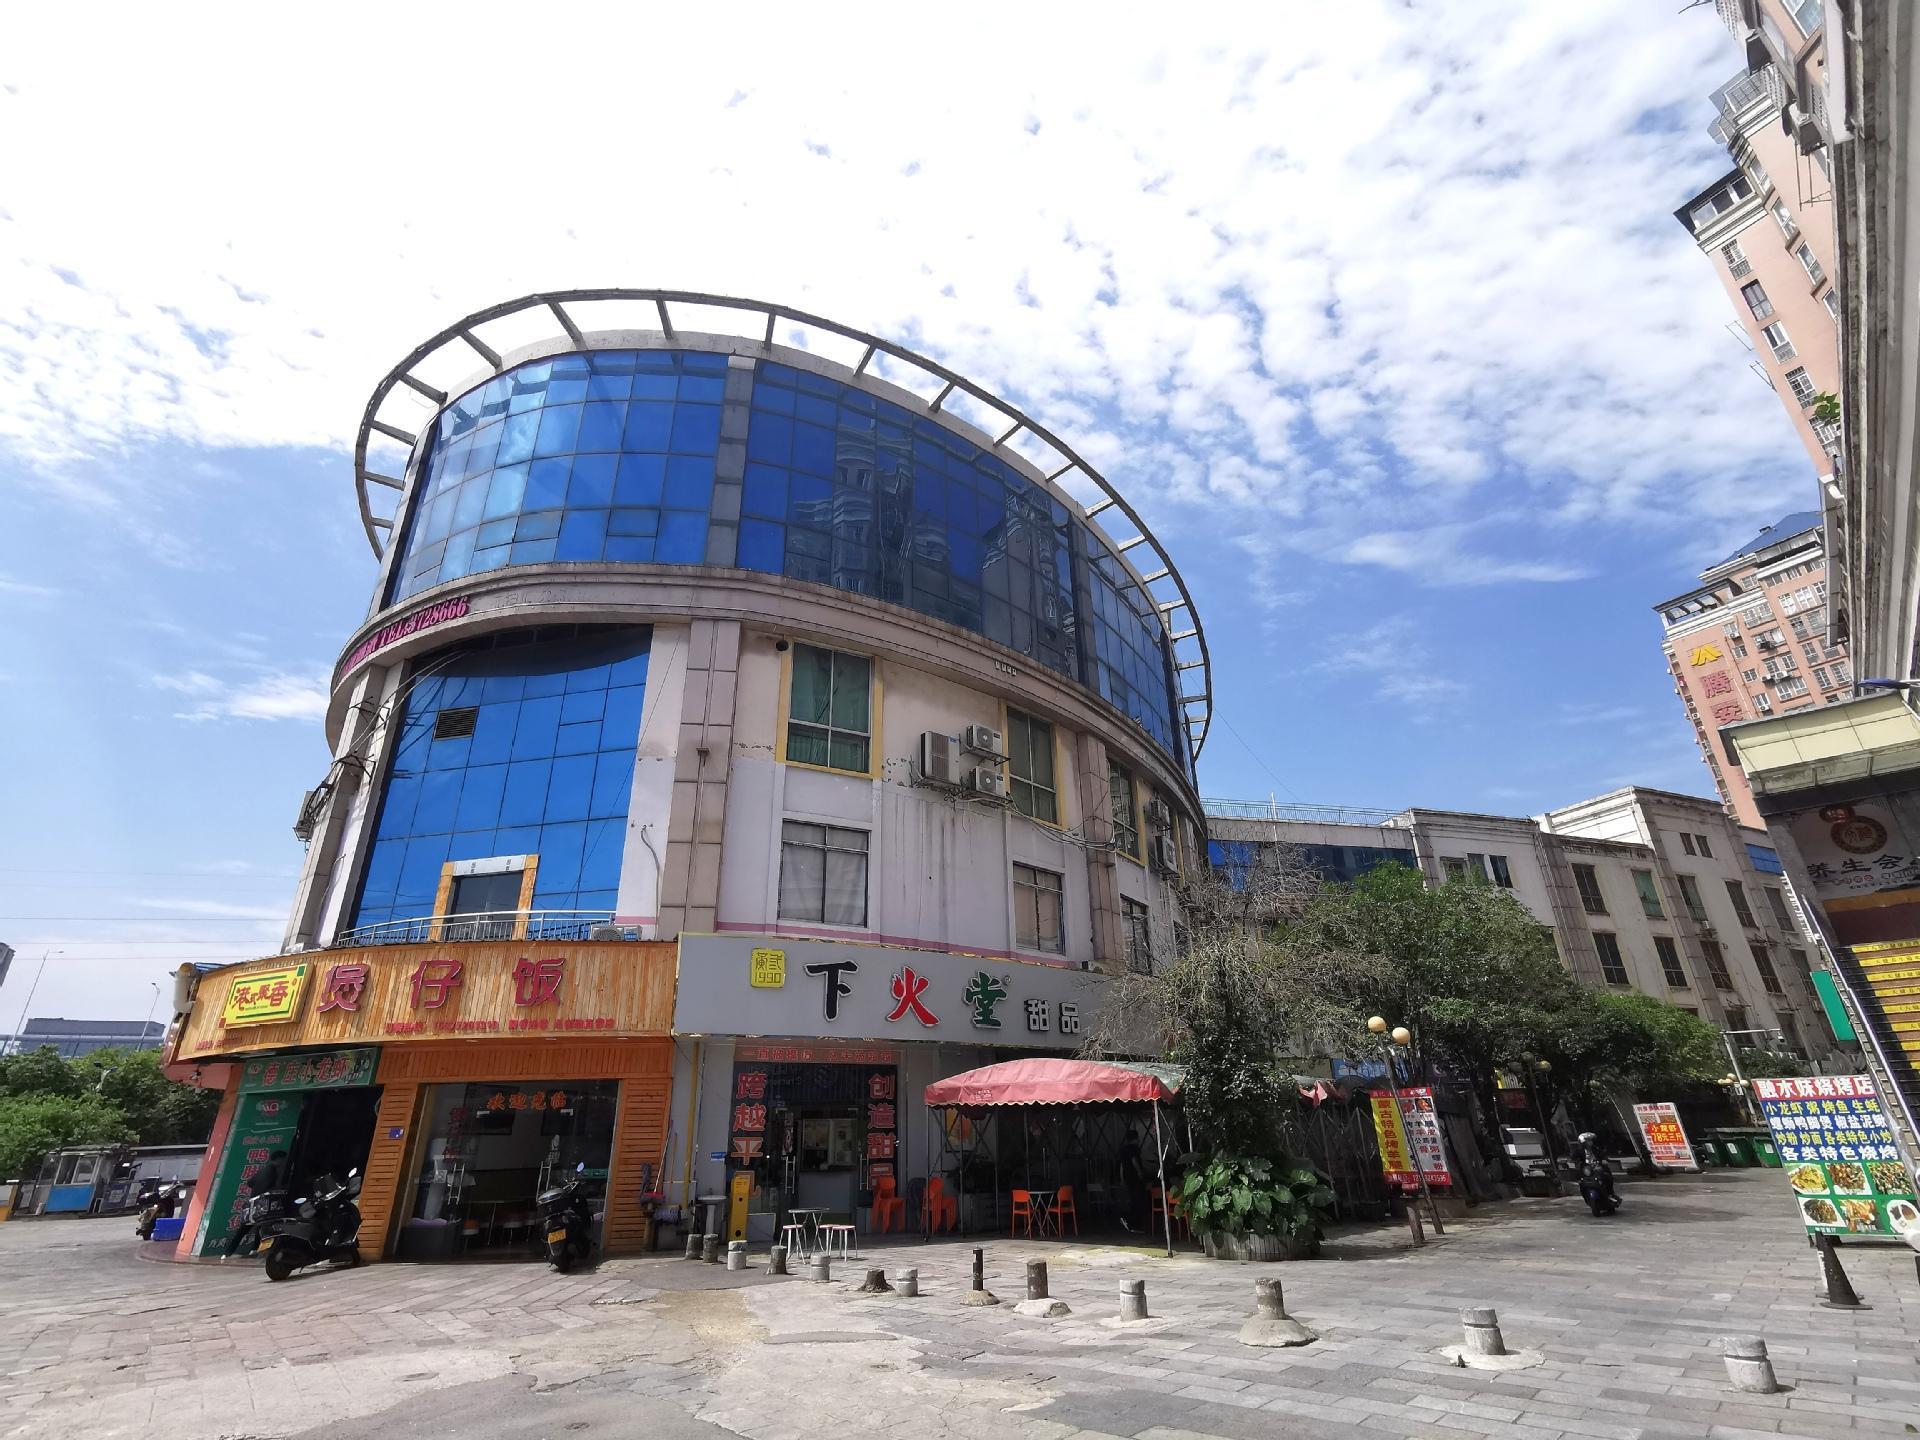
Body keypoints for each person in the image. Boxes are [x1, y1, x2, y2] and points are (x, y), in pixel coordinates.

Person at [1117, 1126, 1147, 1232]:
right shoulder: (1134, 1149)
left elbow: (1121, 1165)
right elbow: (1134, 1160)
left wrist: (1122, 1179)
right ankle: (1134, 1223)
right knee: (1138, 1200)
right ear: (1136, 1138)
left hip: (1127, 1177)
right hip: (1134, 1177)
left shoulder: (1123, 1150)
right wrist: (1139, 1171)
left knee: (1133, 1199)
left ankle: (1130, 1221)